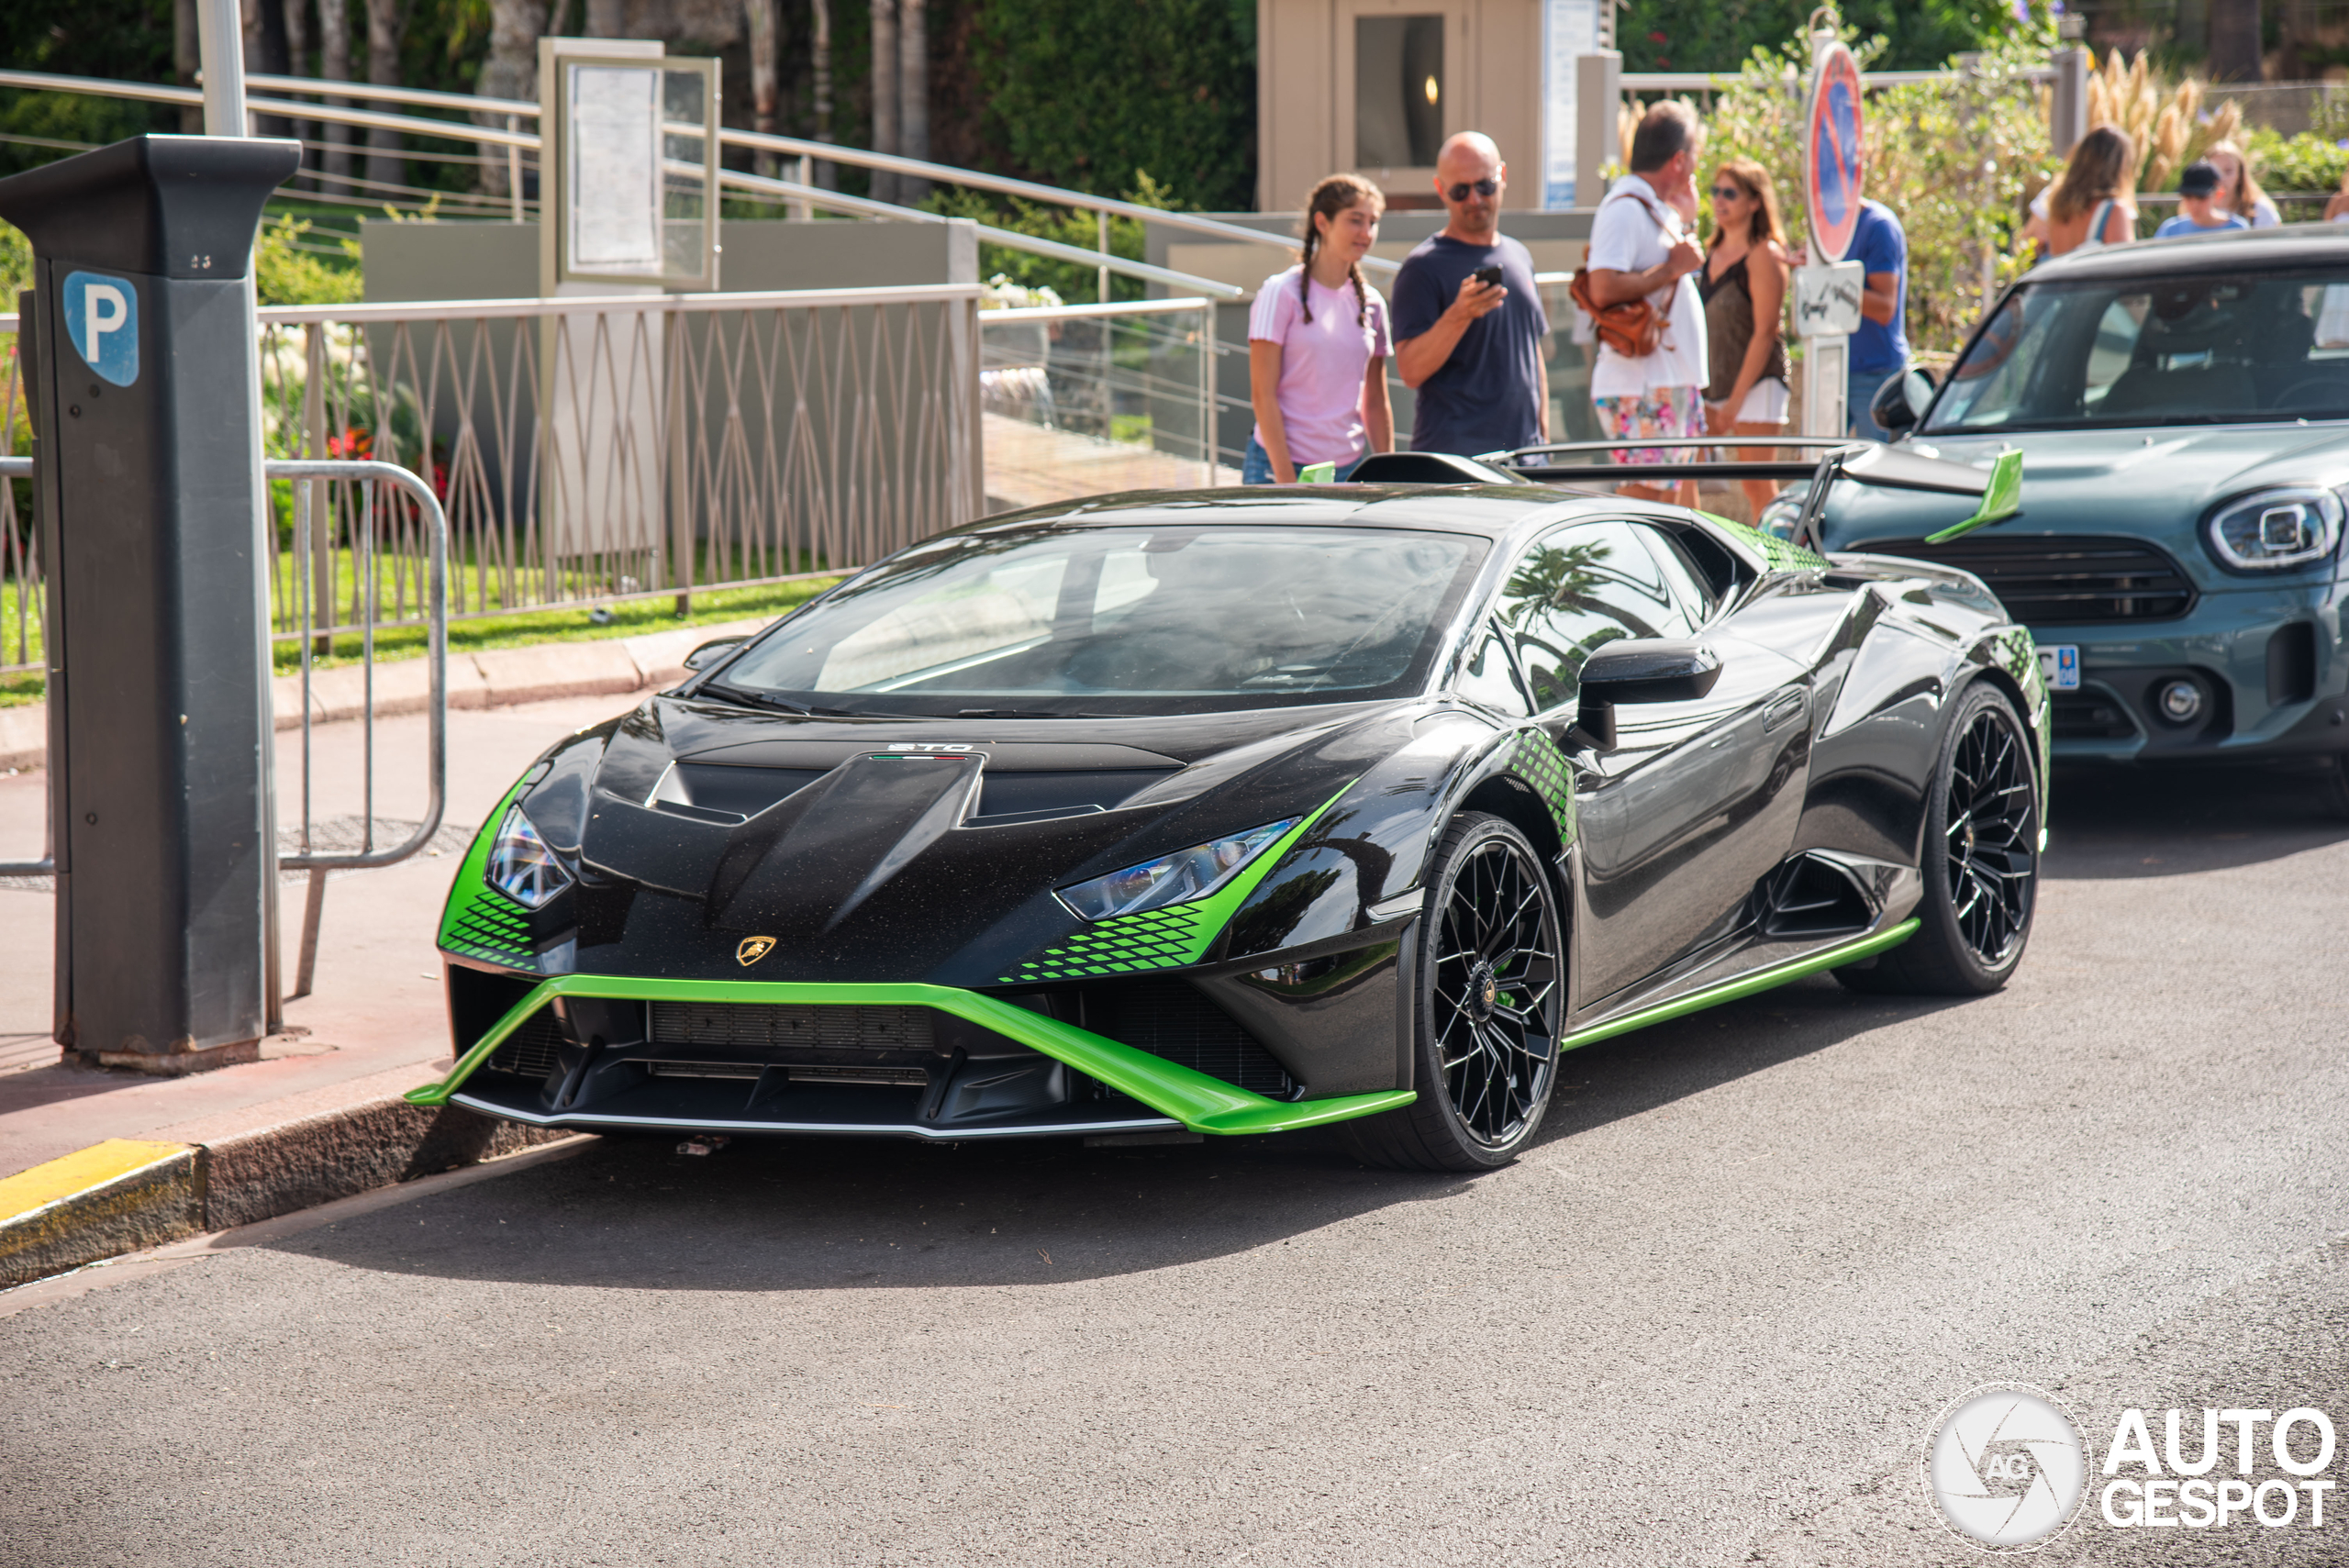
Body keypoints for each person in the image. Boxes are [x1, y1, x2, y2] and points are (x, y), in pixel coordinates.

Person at [1391, 132, 1551, 458]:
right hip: (1459, 462)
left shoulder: (1519, 255)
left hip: (1526, 456)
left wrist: (1543, 435)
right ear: (1441, 190)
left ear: (1502, 176)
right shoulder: (1422, 267)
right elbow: (1409, 370)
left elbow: (1532, 353)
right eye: (1460, 190)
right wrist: (1459, 314)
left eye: (1484, 185)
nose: (1475, 199)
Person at [1580, 102, 1709, 504]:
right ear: (1679, 159)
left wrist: (1685, 220)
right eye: (1693, 159)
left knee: (1671, 515)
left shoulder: (1650, 208)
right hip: (1643, 385)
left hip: (1663, 382)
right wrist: (1671, 269)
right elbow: (1602, 289)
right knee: (1646, 514)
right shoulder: (1624, 210)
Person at [1245, 173, 1396, 484]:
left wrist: (1389, 476)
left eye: (1373, 222)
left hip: (1349, 471)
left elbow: (1376, 401)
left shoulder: (1373, 304)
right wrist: (1287, 482)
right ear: (1322, 223)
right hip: (1279, 468)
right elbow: (1263, 395)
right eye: (1356, 220)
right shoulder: (1279, 293)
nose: (1366, 232)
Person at [1698, 159, 1791, 519]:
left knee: (1757, 486)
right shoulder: (1709, 252)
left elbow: (1765, 331)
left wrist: (1735, 402)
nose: (1720, 201)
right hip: (1716, 381)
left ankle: (1783, 562)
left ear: (1755, 201)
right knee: (1684, 473)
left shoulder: (1765, 254)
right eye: (1716, 191)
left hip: (1757, 382)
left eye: (1730, 193)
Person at [1844, 181, 1909, 442]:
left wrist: (1830, 282)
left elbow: (1884, 308)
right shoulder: (1826, 230)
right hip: (1832, 370)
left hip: (1874, 374)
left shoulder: (1878, 226)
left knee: (1876, 473)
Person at [2042, 126, 2139, 258]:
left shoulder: (2059, 206)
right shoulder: (2114, 210)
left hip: (2062, 278)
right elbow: (2125, 265)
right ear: (2119, 166)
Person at [2154, 161, 2250, 239]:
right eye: (2188, 197)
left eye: (2201, 197)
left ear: (2218, 193)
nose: (2194, 204)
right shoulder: (2170, 231)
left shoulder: (2238, 229)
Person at [2203, 139, 2281, 228]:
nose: (2221, 178)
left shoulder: (2259, 211)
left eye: (2228, 171)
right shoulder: (2197, 210)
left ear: (2240, 174)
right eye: (2214, 170)